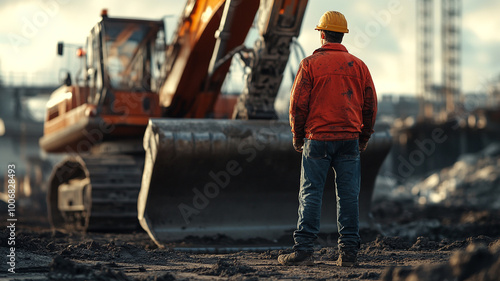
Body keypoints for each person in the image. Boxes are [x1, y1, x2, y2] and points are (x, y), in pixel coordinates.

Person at [278, 11, 377, 267]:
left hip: (317, 139)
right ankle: (349, 255)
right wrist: (363, 138)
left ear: (321, 34)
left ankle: (304, 251)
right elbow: (370, 107)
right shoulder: (359, 66)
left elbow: (297, 105)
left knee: (310, 193)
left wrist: (298, 136)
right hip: (349, 140)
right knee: (348, 196)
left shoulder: (310, 65)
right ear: (342, 35)